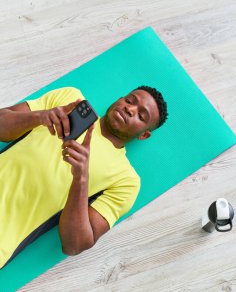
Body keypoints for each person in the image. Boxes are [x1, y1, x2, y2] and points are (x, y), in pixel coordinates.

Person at [0, 85, 168, 268]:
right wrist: (39, 116)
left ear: (144, 135)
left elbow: (75, 245)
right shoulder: (70, 100)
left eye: (141, 116)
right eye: (129, 100)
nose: (130, 109)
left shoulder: (126, 181)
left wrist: (81, 177)